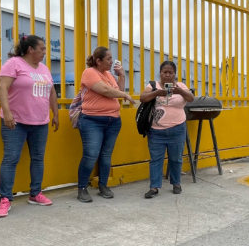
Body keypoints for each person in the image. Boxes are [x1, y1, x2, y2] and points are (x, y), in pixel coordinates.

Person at [0, 35, 59, 218]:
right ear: (31, 49)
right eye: (42, 49)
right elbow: (2, 87)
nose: (45, 52)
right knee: (11, 159)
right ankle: (5, 198)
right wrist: (7, 112)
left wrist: (55, 114)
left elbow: (51, 92)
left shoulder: (44, 69)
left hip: (40, 122)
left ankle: (35, 193)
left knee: (38, 159)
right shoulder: (14, 64)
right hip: (16, 122)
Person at [77, 47, 134, 203]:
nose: (111, 61)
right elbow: (105, 91)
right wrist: (125, 95)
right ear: (98, 61)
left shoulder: (109, 75)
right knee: (91, 155)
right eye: (108, 59)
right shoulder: (89, 72)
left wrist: (122, 75)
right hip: (92, 120)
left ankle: (103, 185)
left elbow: (118, 92)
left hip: (113, 121)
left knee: (106, 155)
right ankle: (82, 188)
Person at [140, 61, 195, 199]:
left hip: (177, 129)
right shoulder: (153, 85)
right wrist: (156, 93)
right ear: (160, 73)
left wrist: (180, 91)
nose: (168, 75)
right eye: (165, 72)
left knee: (176, 159)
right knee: (156, 159)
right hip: (156, 131)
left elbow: (191, 98)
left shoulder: (181, 86)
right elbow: (142, 98)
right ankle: (154, 187)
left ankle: (176, 184)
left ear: (175, 74)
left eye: (171, 72)